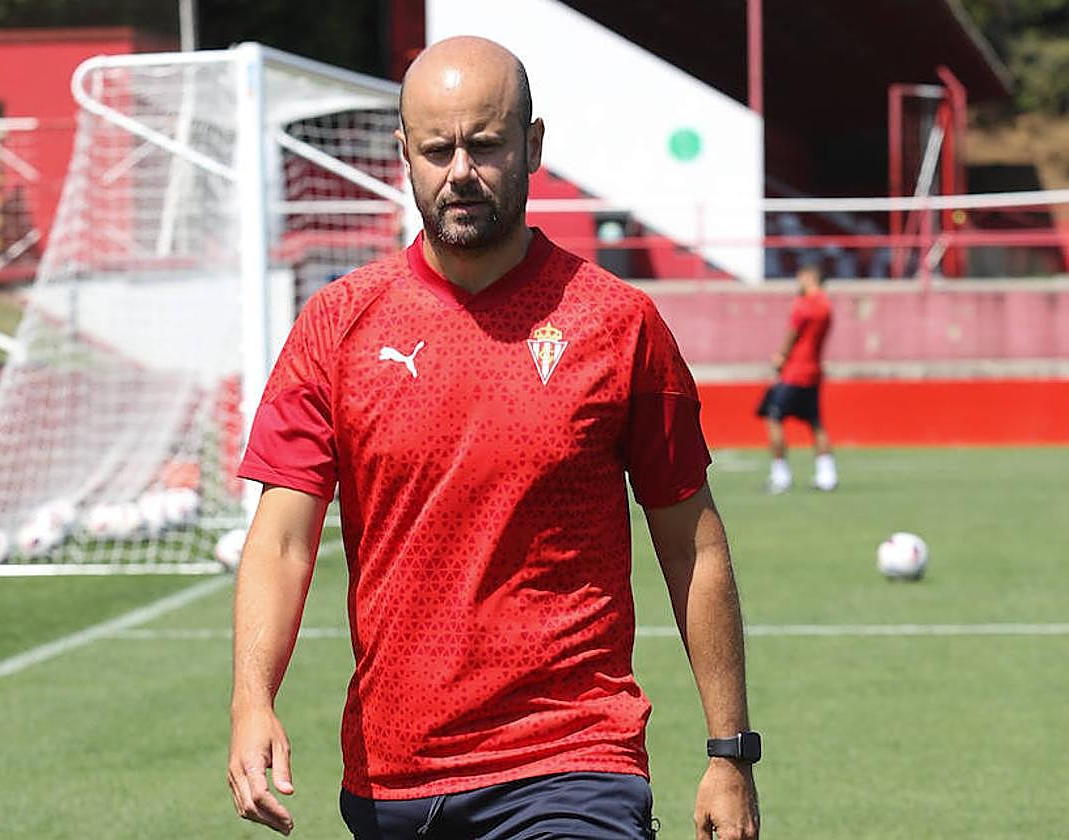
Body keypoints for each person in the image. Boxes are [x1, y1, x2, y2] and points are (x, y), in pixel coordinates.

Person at [228, 36, 760, 840]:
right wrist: (251, 699)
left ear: (531, 146)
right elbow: (281, 541)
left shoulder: (618, 324)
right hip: (393, 779)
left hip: (571, 759)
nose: (460, 172)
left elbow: (692, 544)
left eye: (484, 145)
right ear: (403, 155)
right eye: (436, 150)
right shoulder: (336, 325)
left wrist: (729, 752)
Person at [756, 262, 837, 493]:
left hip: (795, 371)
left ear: (810, 278)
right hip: (813, 371)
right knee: (815, 422)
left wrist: (781, 356)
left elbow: (792, 332)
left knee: (773, 417)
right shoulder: (826, 306)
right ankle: (827, 474)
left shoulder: (804, 304)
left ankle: (780, 475)